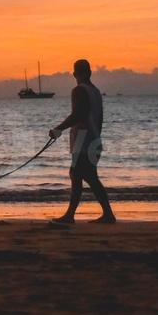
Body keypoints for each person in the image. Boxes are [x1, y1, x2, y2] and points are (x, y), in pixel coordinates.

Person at [49, 59, 116, 223]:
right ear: (90, 72)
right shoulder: (96, 91)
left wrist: (59, 129)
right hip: (94, 138)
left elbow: (78, 115)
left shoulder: (78, 90)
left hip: (82, 139)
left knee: (79, 174)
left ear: (74, 74)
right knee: (85, 175)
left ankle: (71, 215)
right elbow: (99, 118)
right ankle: (104, 214)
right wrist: (96, 137)